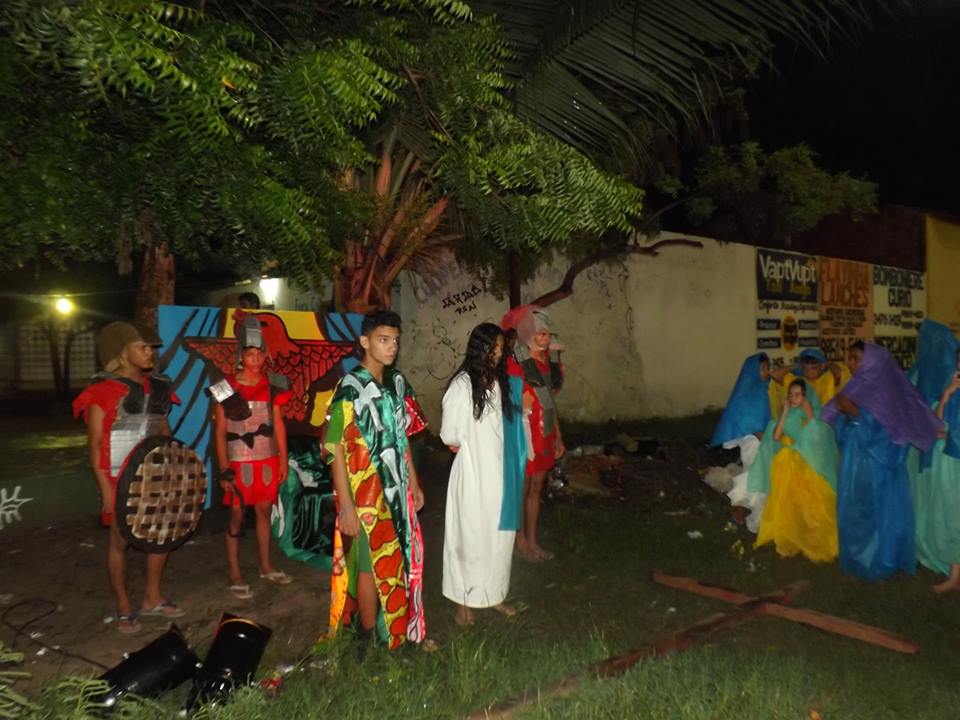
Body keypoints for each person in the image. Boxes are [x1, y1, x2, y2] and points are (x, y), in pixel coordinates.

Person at [324, 310, 429, 651]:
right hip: (365, 493)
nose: (391, 347)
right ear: (364, 342)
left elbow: (403, 438)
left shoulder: (397, 383)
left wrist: (414, 483)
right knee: (370, 565)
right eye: (383, 340)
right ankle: (367, 637)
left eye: (395, 340)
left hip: (398, 489)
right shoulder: (349, 389)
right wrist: (346, 505)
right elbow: (335, 448)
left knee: (400, 556)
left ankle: (395, 629)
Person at [73, 321, 185, 634]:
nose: (151, 352)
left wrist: (173, 467)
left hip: (155, 474)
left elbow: (164, 430)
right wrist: (105, 490)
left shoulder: (159, 387)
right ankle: (123, 606)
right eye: (143, 347)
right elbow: (95, 444)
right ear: (122, 354)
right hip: (118, 478)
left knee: (161, 536)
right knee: (119, 541)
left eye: (151, 347)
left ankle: (152, 597)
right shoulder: (102, 391)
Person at [823, 341, 942, 581]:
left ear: (871, 362)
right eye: (850, 358)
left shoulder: (888, 391)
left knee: (879, 512)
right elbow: (839, 423)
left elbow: (894, 433)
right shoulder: (856, 387)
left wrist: (856, 414)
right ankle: (857, 560)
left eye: (856, 358)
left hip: (879, 466)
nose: (850, 363)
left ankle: (881, 561)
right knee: (854, 509)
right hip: (854, 461)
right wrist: (848, 416)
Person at [441, 323, 526, 626]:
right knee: (470, 536)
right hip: (474, 474)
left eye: (501, 348)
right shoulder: (462, 386)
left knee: (499, 537)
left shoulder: (499, 382)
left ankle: (494, 594)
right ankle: (464, 602)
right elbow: (449, 434)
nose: (499, 353)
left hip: (500, 472)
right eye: (495, 348)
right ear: (481, 348)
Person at [211, 315, 293, 600]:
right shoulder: (225, 386)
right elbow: (220, 431)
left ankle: (265, 565)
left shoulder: (274, 384)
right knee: (236, 514)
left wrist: (283, 459)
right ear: (240, 355)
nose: (255, 359)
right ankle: (234, 572)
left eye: (259, 353)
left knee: (264, 511)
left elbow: (278, 424)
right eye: (249, 354)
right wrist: (224, 468)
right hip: (238, 460)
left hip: (267, 459)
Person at [750, 378, 840, 563]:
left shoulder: (812, 414)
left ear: (805, 396)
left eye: (798, 394)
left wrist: (808, 410)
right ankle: (789, 536)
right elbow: (776, 436)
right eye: (791, 394)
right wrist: (784, 411)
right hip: (790, 462)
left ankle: (810, 535)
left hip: (808, 463)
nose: (793, 398)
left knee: (811, 502)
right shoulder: (788, 415)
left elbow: (815, 436)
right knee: (788, 501)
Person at [502, 305, 564, 562]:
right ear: (528, 334)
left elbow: (549, 402)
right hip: (524, 433)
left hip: (544, 432)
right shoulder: (516, 362)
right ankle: (520, 541)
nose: (546, 338)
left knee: (537, 487)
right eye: (541, 333)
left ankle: (533, 540)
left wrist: (558, 436)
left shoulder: (547, 362)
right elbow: (507, 402)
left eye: (547, 333)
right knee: (523, 486)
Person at [908, 320, 960, 591]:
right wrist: (947, 395)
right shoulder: (951, 387)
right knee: (950, 514)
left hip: (951, 456)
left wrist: (946, 433)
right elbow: (938, 424)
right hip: (947, 460)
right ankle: (954, 574)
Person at [710, 353, 772, 532]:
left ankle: (750, 512)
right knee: (753, 477)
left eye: (767, 368)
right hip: (753, 442)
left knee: (759, 478)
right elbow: (749, 420)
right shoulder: (749, 394)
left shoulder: (762, 389)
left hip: (762, 441)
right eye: (762, 369)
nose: (766, 372)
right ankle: (739, 510)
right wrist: (764, 438)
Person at [769, 348, 850, 409]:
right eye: (806, 368)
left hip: (824, 424)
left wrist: (826, 362)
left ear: (822, 367)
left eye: (813, 368)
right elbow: (774, 375)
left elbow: (839, 374)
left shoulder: (828, 379)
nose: (809, 371)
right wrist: (796, 366)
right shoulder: (797, 381)